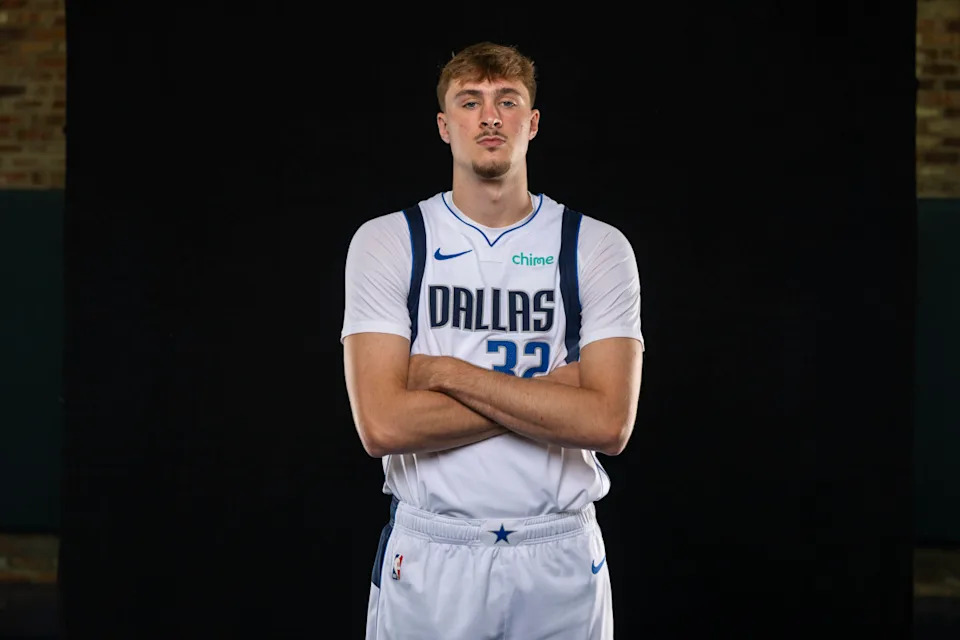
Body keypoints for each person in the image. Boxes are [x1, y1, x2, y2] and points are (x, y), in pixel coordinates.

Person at [341, 41, 644, 640]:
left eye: (507, 101)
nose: (490, 117)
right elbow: (383, 426)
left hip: (556, 552)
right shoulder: (390, 241)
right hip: (434, 552)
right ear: (443, 125)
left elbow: (609, 423)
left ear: (531, 123)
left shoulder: (597, 246)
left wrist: (447, 374)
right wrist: (552, 399)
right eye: (470, 101)